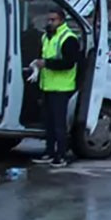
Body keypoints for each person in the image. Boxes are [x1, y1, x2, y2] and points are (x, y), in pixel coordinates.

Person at [30, 10, 82, 166]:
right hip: (47, 86)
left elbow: (69, 63)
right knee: (49, 123)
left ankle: (61, 155)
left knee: (59, 124)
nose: (49, 22)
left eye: (53, 20)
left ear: (61, 20)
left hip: (62, 87)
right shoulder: (46, 37)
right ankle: (49, 152)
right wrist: (38, 65)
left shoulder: (68, 38)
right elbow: (45, 57)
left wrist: (47, 64)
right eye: (48, 19)